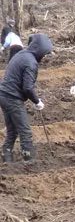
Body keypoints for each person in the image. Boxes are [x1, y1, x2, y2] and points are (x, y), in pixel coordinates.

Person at [0, 33, 52, 163]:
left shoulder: (21, 54)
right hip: (12, 98)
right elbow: (28, 87)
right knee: (25, 132)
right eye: (44, 53)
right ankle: (29, 162)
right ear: (40, 50)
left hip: (3, 95)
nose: (44, 56)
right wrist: (37, 101)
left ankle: (6, 158)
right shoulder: (31, 62)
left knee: (12, 130)